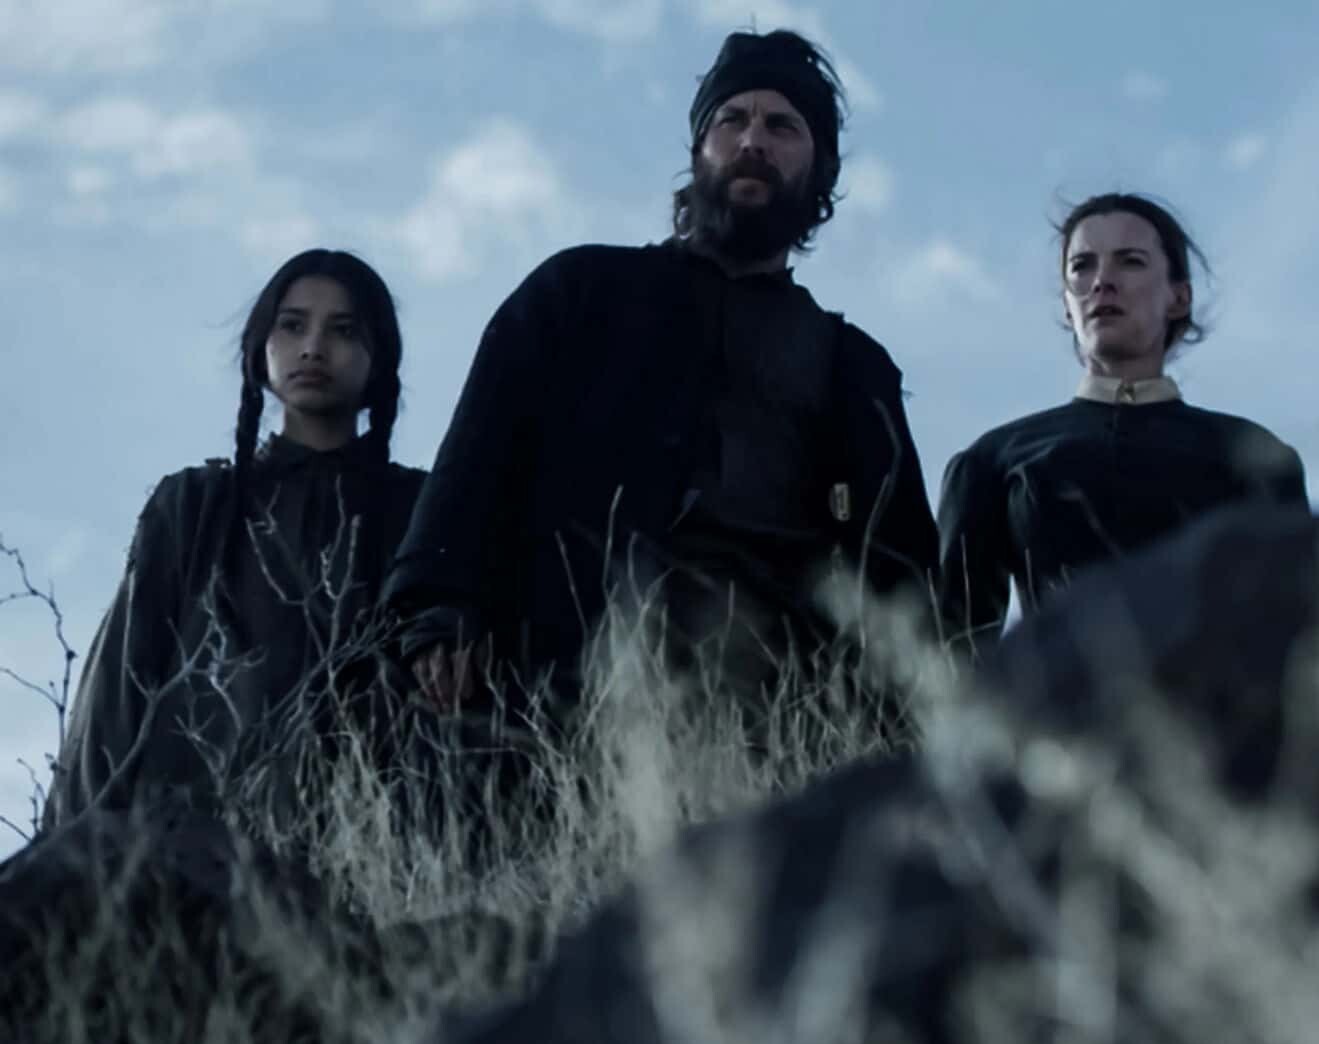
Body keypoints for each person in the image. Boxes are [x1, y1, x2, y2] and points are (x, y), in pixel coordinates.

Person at [385, 29, 939, 717]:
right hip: (568, 688)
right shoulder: (579, 292)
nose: (753, 141)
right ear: (698, 151)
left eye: (782, 126)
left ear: (820, 168)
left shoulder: (854, 368)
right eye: (731, 120)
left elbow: (900, 571)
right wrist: (438, 607)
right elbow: (476, 456)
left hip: (777, 711)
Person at [49, 249, 425, 824]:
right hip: (191, 838)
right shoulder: (195, 505)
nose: (313, 347)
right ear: (260, 347)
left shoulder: (419, 509)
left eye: (343, 330)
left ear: (379, 357)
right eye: (292, 325)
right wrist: (75, 845)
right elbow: (118, 692)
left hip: (368, 832)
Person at [935, 193, 1307, 654]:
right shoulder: (994, 461)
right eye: (1082, 266)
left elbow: (1301, 636)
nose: (1102, 282)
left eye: (1130, 262)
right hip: (1053, 698)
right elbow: (953, 655)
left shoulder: (1252, 455)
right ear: (1067, 303)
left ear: (1179, 296)